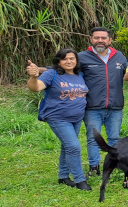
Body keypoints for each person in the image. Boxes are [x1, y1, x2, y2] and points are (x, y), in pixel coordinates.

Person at [26, 50, 91, 191]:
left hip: (76, 118)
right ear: (58, 62)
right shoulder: (52, 74)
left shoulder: (79, 75)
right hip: (58, 117)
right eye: (64, 59)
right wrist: (33, 77)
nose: (69, 61)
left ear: (76, 60)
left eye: (72, 58)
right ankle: (80, 180)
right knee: (73, 147)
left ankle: (63, 176)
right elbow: (36, 87)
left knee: (67, 146)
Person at [75, 27, 128, 177]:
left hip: (115, 106)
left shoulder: (119, 57)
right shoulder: (81, 57)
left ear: (110, 41)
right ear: (91, 39)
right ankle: (94, 167)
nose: (100, 40)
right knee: (93, 138)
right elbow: (64, 69)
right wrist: (40, 70)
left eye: (103, 38)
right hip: (92, 106)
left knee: (114, 137)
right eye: (96, 37)